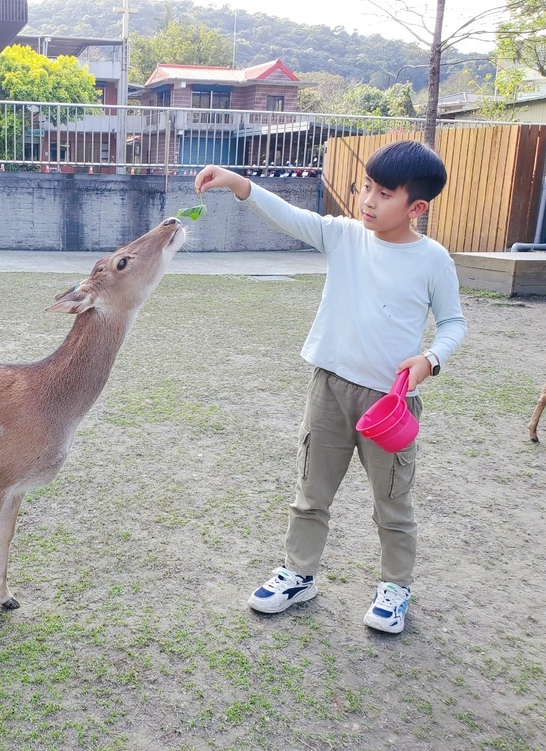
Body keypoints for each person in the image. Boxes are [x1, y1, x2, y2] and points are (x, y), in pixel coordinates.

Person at [194, 140, 467, 634]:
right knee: (310, 492)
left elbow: (453, 323)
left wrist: (431, 359)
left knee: (392, 500)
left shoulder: (433, 260)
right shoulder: (344, 236)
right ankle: (299, 575)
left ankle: (395, 587)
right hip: (329, 389)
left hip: (389, 403)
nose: (367, 200)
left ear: (417, 206)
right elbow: (289, 216)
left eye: (384, 193)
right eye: (366, 187)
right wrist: (238, 184)